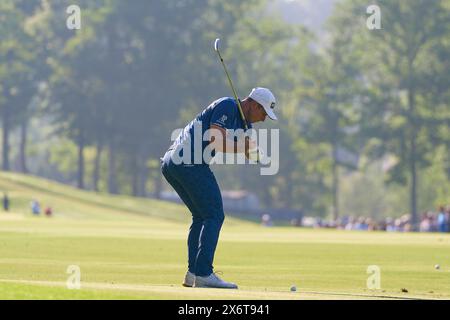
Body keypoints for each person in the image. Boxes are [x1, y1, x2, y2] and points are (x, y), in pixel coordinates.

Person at [161, 88, 277, 289]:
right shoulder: (227, 106)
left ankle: (193, 273)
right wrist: (244, 147)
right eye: (264, 113)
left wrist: (253, 151)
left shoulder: (243, 122)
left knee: (201, 216)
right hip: (189, 161)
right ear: (254, 104)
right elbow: (217, 140)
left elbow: (243, 147)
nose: (264, 119)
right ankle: (204, 273)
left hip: (173, 164)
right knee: (215, 215)